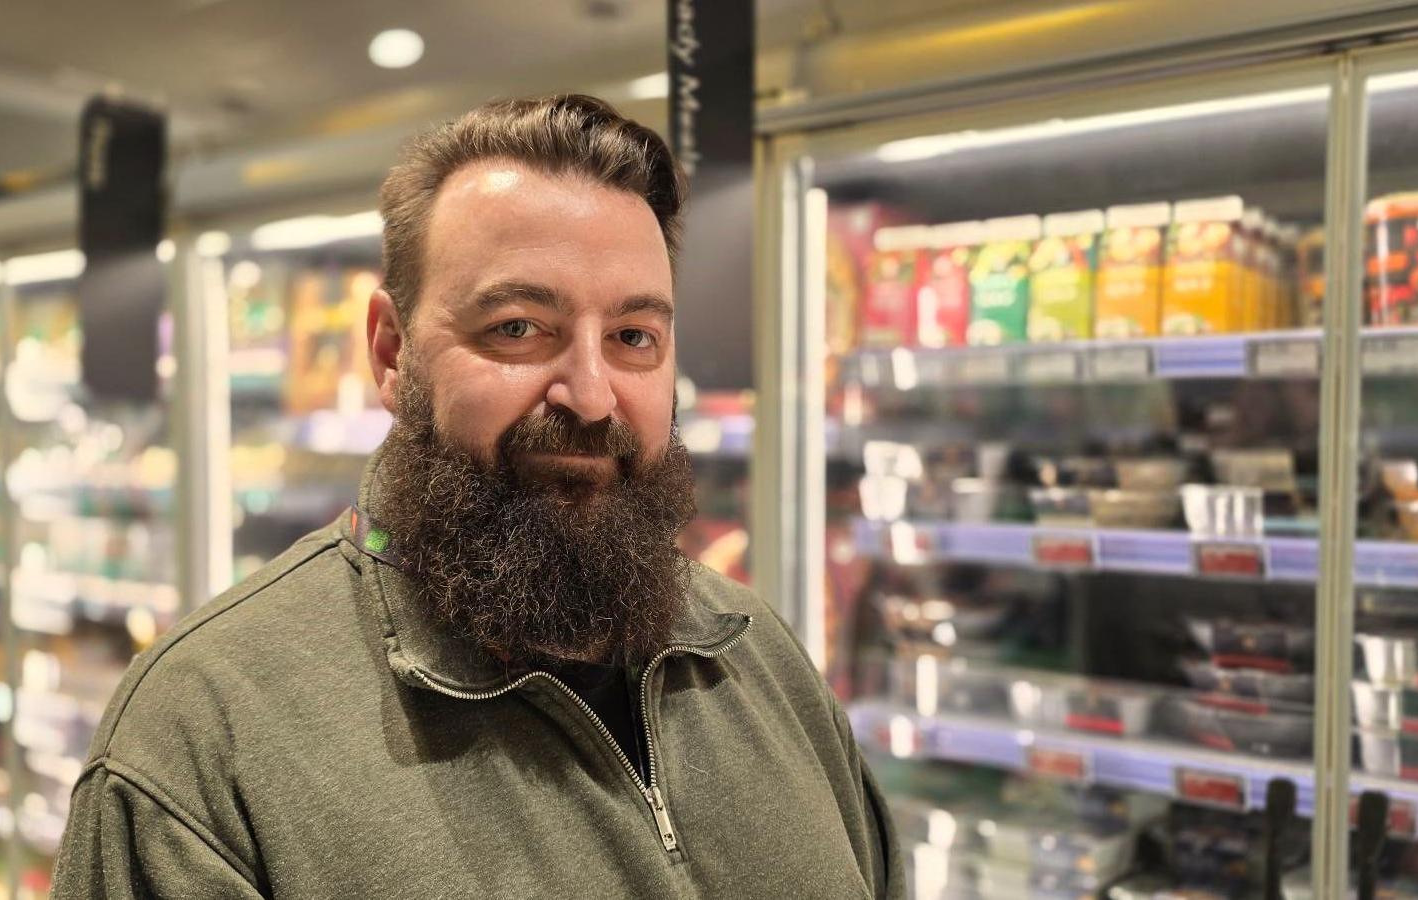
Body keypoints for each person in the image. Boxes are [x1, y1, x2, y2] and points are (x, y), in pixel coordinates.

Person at [52, 94, 902, 899]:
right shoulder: (201, 738)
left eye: (633, 337)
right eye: (518, 329)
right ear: (392, 354)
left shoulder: (760, 661)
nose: (593, 395)